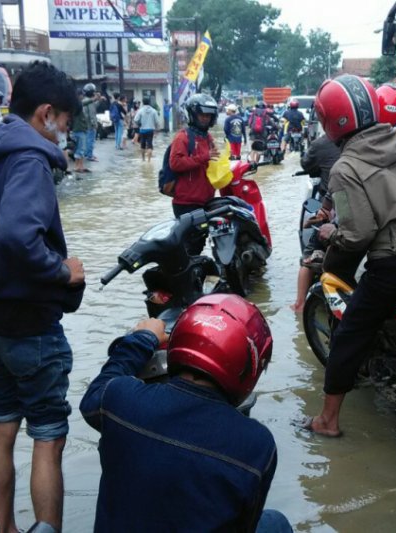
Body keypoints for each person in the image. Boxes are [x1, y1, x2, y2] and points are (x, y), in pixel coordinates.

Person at [0, 61, 85, 533]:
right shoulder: (30, 159)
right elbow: (15, 235)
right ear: (46, 113)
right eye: (65, 124)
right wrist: (60, 271)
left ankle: (7, 528)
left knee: (2, 423)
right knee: (48, 437)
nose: (63, 135)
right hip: (28, 324)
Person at [300, 74, 396, 438]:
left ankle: (327, 421)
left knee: (349, 335)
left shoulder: (345, 169)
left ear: (330, 121)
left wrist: (329, 232)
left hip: (395, 266)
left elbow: (358, 236)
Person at [80, 294, 291, 532]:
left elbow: (100, 386)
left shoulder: (121, 399)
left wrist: (143, 337)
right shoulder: (257, 444)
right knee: (276, 523)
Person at [290, 134, 342, 312]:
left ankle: (299, 305)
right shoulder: (364, 145)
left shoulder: (322, 143)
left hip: (336, 209)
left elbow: (306, 163)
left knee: (308, 257)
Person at [169, 93, 219, 255]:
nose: (205, 118)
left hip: (205, 200)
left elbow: (214, 162)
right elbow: (176, 163)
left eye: (208, 115)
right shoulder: (182, 137)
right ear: (193, 115)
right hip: (186, 202)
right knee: (190, 245)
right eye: (202, 115)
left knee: (199, 242)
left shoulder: (208, 137)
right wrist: (204, 157)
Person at [133, 97, 159, 162]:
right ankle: (149, 161)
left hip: (142, 130)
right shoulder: (154, 111)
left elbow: (135, 120)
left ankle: (143, 159)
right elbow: (157, 122)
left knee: (143, 144)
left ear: (143, 102)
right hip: (150, 130)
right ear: (149, 102)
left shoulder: (140, 111)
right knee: (150, 145)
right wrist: (156, 130)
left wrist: (139, 124)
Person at [70, 89, 89, 174]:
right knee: (81, 149)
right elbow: (85, 103)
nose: (83, 96)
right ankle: (79, 166)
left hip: (75, 129)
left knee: (77, 148)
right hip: (80, 129)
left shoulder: (73, 105)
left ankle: (78, 166)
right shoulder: (78, 105)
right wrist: (95, 99)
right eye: (82, 95)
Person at [82, 83, 102, 162]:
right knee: (91, 140)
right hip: (90, 124)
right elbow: (92, 113)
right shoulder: (89, 101)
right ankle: (89, 155)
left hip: (86, 124)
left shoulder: (86, 100)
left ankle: (88, 154)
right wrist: (94, 124)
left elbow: (94, 107)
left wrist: (99, 100)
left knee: (88, 140)